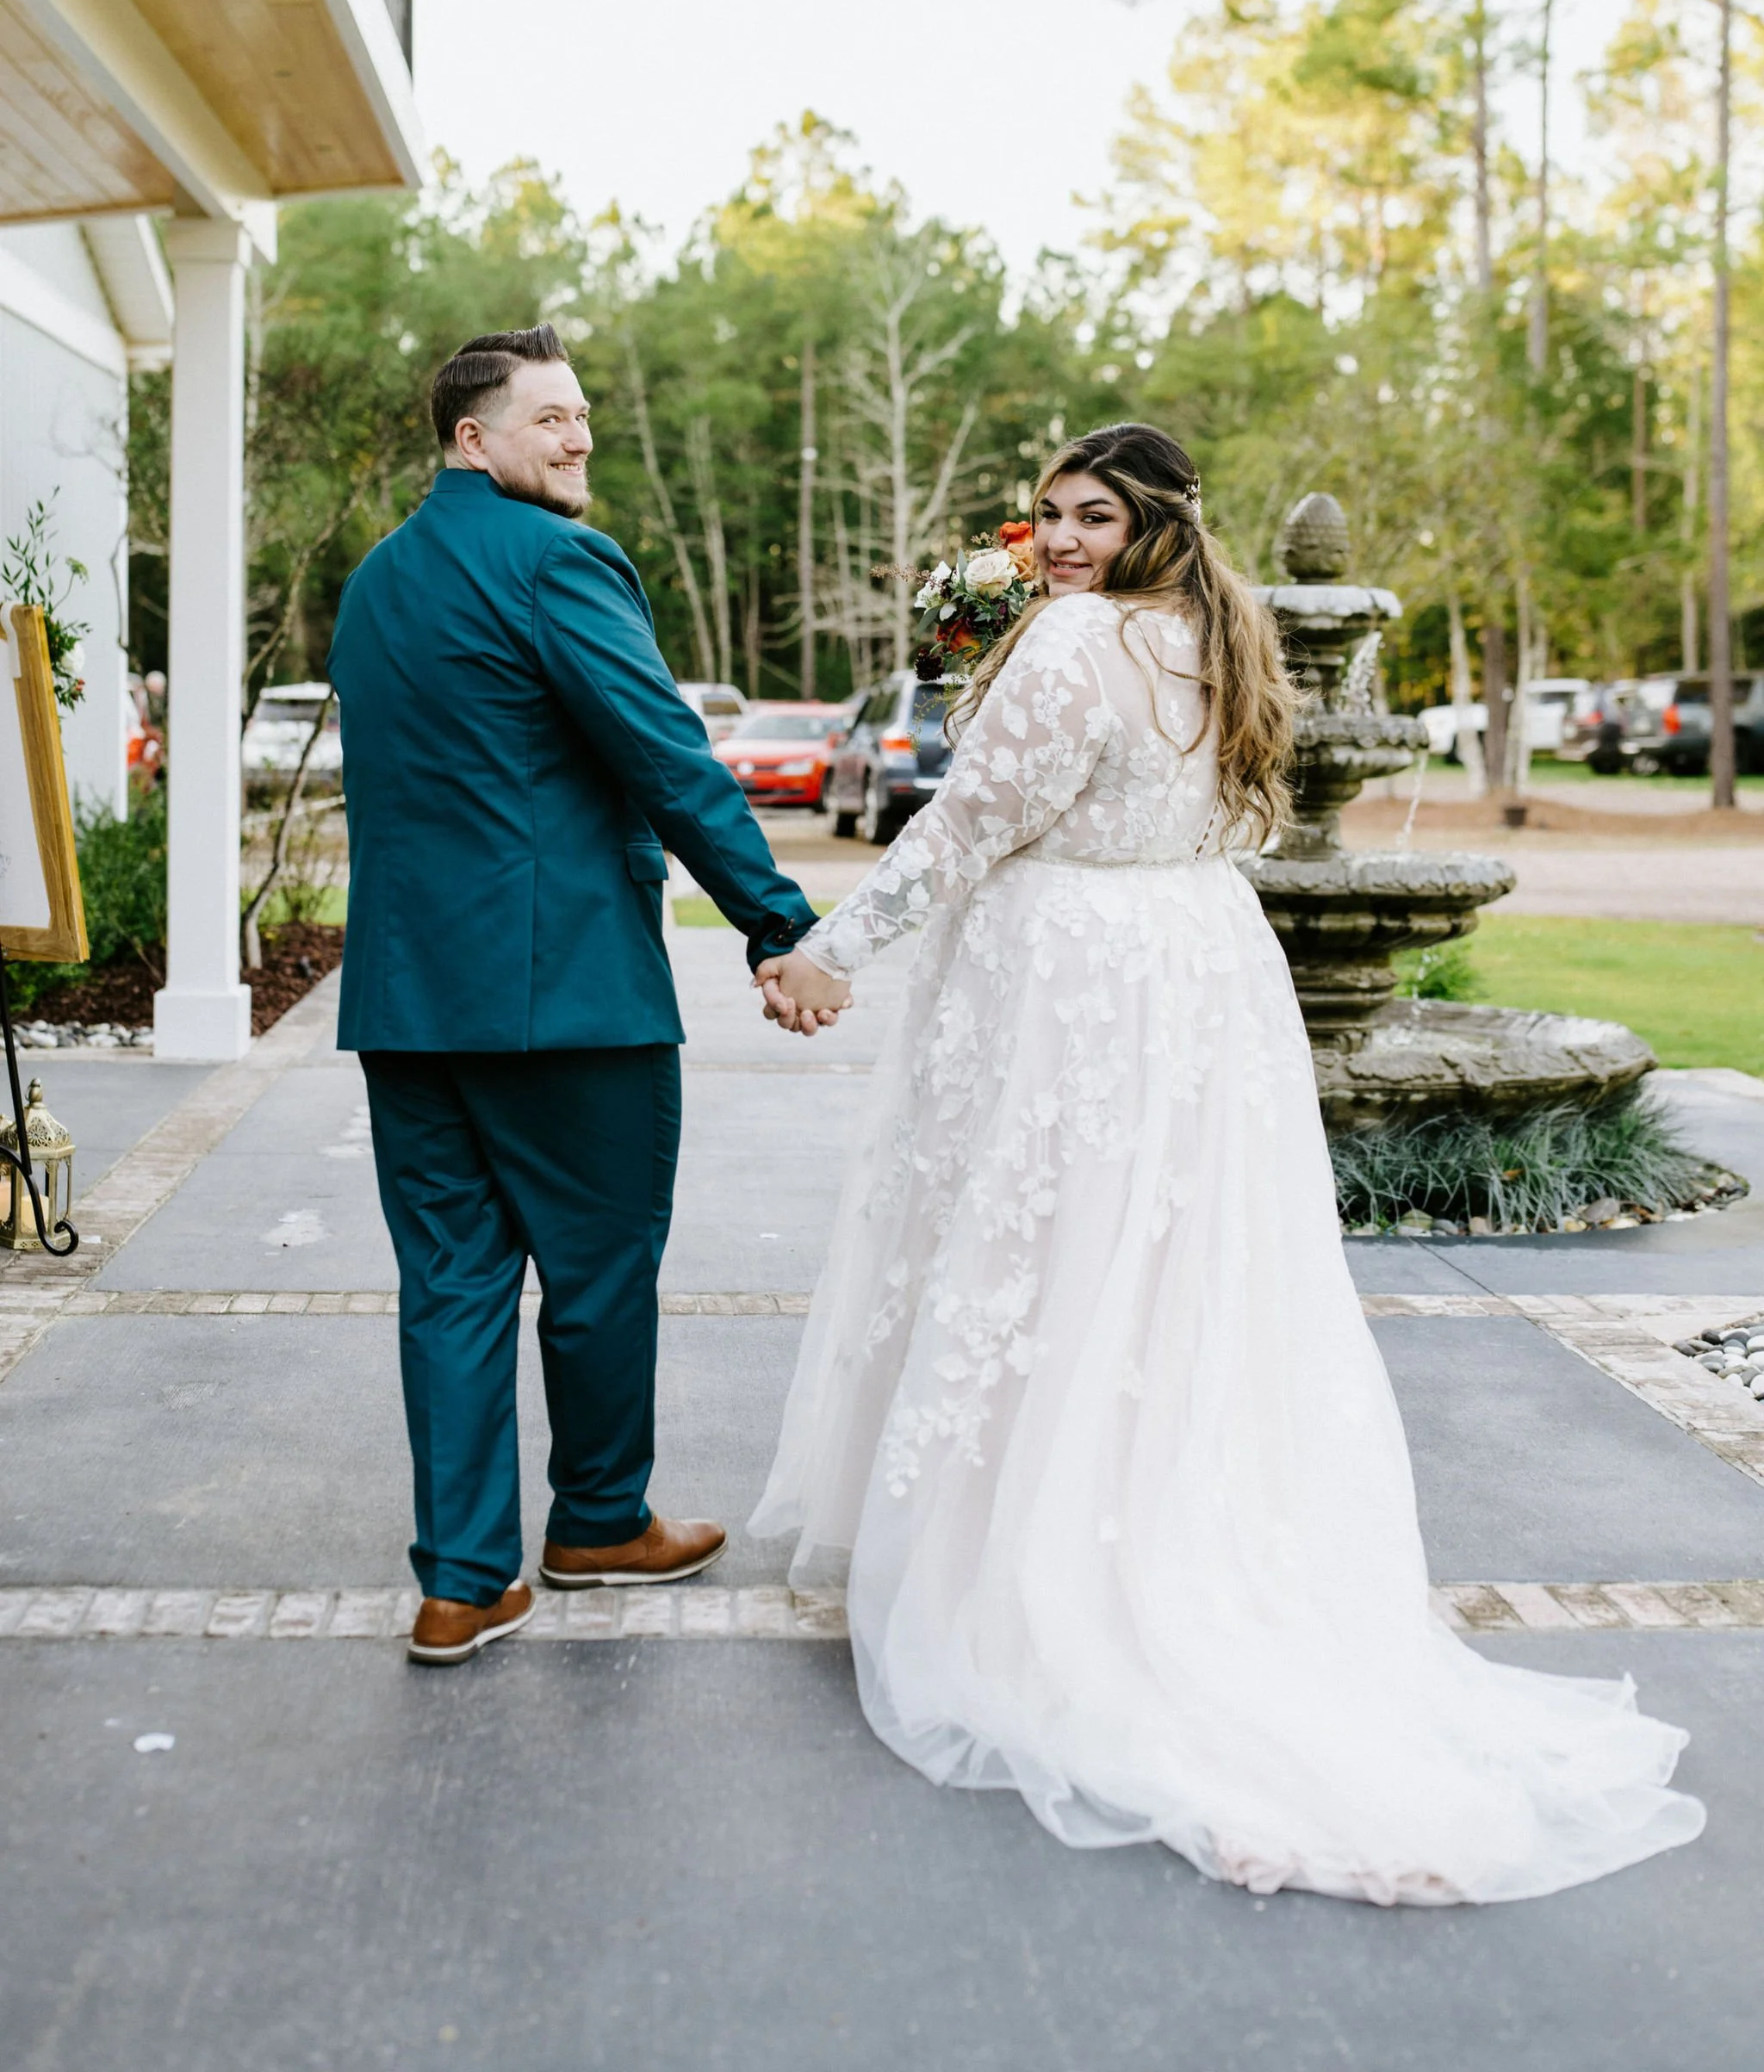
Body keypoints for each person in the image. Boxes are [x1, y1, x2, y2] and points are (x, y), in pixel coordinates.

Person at [750, 422, 1704, 1904]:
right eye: (1049, 515)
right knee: (1165, 1263)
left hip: (1072, 972)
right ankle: (1159, 1524)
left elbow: (968, 828)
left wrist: (829, 955)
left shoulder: (1072, 640)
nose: (1061, 540)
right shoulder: (1225, 629)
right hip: (1190, 967)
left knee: (1045, 1252)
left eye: (1093, 514)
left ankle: (1022, 1565)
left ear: (1152, 521)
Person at [330, 324, 834, 1666]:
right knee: (600, 1272)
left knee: (448, 1284)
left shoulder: (376, 582)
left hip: (406, 998)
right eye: (550, 417)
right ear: (469, 438)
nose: (581, 437)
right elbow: (667, 757)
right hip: (570, 1002)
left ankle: (459, 1582)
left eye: (585, 415)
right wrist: (779, 925)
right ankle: (599, 1522)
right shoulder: (559, 561)